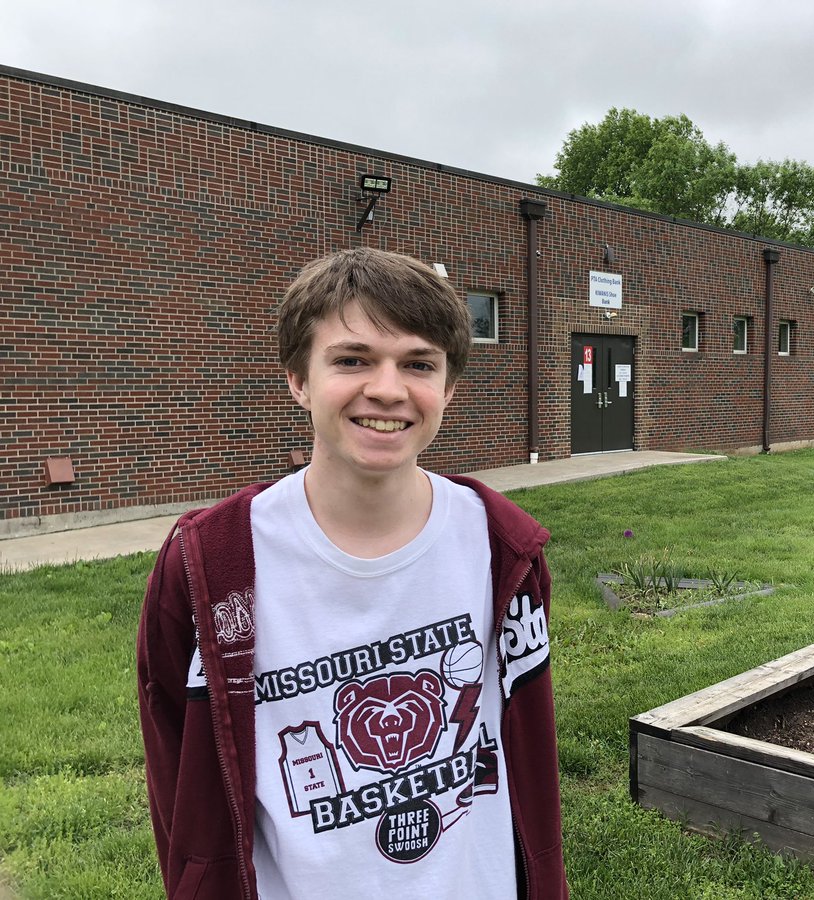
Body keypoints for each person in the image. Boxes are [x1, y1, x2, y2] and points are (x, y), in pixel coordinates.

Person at [137, 248, 567, 899]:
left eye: (419, 364)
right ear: (298, 379)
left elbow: (528, 759)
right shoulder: (210, 564)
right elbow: (176, 762)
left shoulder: (500, 545)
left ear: (448, 389)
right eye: (352, 360)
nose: (388, 389)